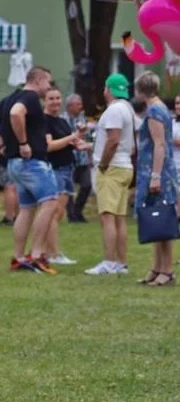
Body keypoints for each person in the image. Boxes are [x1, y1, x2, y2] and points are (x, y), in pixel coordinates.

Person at [0, 66, 59, 274]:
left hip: (15, 163)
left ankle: (19, 257)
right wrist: (23, 143)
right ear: (39, 80)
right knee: (50, 202)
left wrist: (2, 144)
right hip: (32, 162)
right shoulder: (30, 98)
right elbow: (16, 114)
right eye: (48, 83)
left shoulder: (9, 98)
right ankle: (38, 255)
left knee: (27, 208)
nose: (48, 87)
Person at [85, 74, 137, 276]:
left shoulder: (114, 110)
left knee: (107, 216)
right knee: (119, 217)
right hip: (124, 165)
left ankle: (108, 261)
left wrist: (104, 163)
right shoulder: (127, 108)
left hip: (113, 167)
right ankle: (121, 262)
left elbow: (113, 140)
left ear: (108, 89)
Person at [132, 72, 178, 286]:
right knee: (155, 221)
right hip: (156, 171)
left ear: (140, 90)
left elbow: (159, 145)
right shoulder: (160, 109)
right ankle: (157, 267)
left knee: (162, 221)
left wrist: (155, 176)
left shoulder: (154, 112)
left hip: (157, 172)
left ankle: (167, 270)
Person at [43, 87, 89, 265]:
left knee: (58, 214)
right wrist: (72, 137)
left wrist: (81, 140)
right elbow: (49, 145)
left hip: (67, 168)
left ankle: (48, 251)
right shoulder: (44, 121)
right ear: (45, 101)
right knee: (53, 214)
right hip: (54, 169)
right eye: (51, 98)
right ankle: (54, 254)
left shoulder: (61, 121)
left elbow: (72, 143)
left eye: (57, 98)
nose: (55, 101)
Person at [65, 93, 93, 223]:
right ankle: (71, 214)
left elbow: (88, 139)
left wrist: (90, 157)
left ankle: (77, 210)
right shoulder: (63, 120)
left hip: (82, 160)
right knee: (69, 188)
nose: (81, 107)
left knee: (87, 184)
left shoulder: (83, 120)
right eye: (78, 104)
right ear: (70, 106)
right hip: (69, 159)